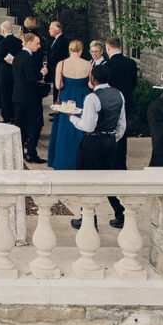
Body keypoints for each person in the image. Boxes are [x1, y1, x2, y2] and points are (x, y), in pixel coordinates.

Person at [68, 64, 127, 229]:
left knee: (86, 180)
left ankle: (87, 218)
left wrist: (72, 117)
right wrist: (112, 139)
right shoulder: (119, 95)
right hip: (110, 142)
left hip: (93, 143)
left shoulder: (92, 98)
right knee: (108, 179)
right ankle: (120, 214)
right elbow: (122, 125)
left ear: (92, 78)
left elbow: (88, 126)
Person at [103, 36, 138, 226]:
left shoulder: (107, 66)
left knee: (113, 130)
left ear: (108, 48)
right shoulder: (131, 63)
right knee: (123, 132)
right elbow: (133, 84)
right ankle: (120, 161)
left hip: (112, 103)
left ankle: (113, 160)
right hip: (127, 102)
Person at [47, 40, 91, 170]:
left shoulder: (62, 63)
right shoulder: (88, 64)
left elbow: (58, 85)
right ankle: (79, 161)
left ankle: (62, 161)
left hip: (67, 98)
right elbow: (91, 85)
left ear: (69, 49)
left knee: (64, 128)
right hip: (82, 97)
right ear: (81, 50)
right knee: (81, 127)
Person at [11, 32, 46, 163]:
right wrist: (42, 73)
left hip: (18, 96)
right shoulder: (28, 58)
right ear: (29, 42)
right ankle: (31, 153)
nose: (38, 46)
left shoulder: (18, 56)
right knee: (35, 125)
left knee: (20, 125)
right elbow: (31, 78)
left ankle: (19, 153)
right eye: (37, 43)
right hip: (30, 98)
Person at [0, 21, 22, 124]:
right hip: (15, 72)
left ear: (3, 31)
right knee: (14, 95)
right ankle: (15, 116)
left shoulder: (2, 42)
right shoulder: (18, 42)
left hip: (5, 73)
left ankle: (7, 117)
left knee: (5, 96)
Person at [47, 21, 70, 101]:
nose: (49, 30)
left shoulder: (62, 40)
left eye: (51, 28)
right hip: (54, 68)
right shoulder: (56, 39)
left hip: (58, 68)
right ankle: (55, 108)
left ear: (58, 30)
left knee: (58, 89)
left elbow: (59, 56)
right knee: (56, 88)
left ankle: (57, 109)